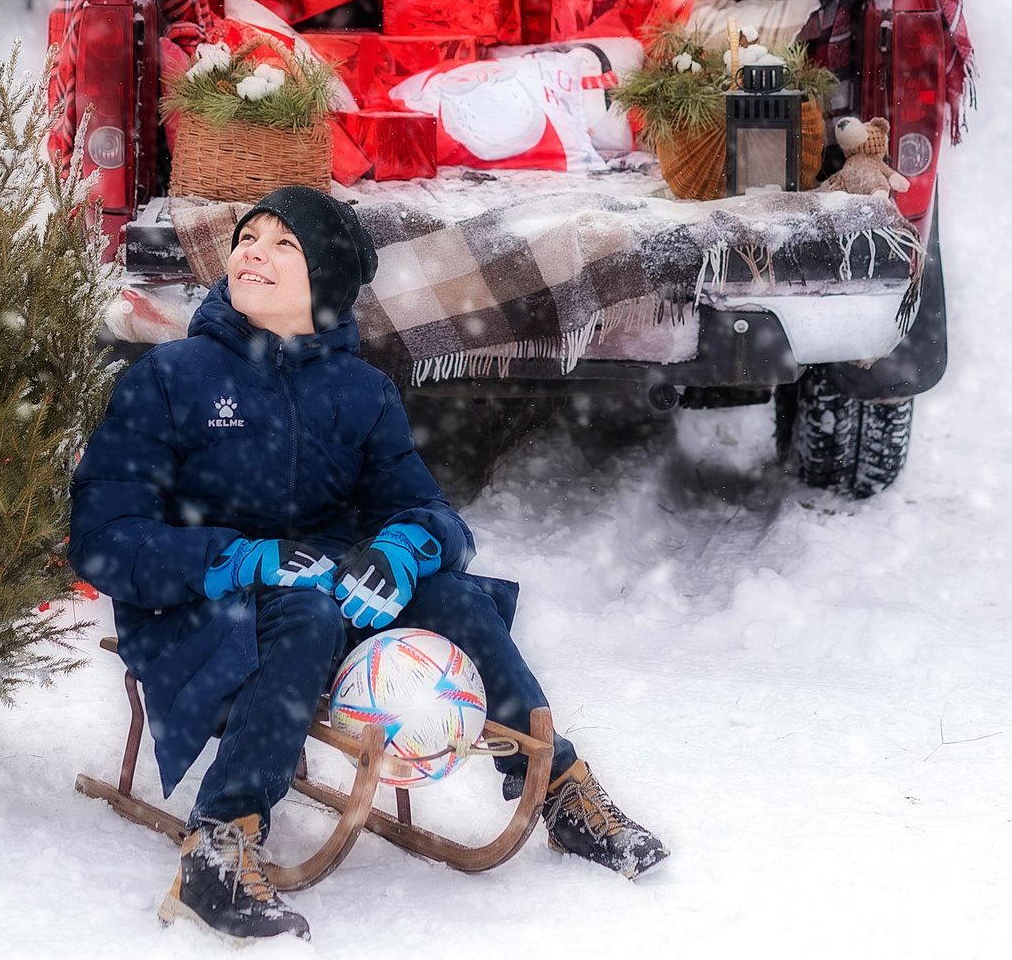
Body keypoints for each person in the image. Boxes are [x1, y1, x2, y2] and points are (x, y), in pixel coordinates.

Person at [70, 185, 668, 941]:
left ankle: (561, 788)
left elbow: (430, 513)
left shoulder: (361, 390)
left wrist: (399, 550)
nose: (251, 249)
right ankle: (218, 845)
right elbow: (101, 535)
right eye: (248, 236)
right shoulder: (171, 377)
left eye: (282, 242)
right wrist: (239, 557)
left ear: (323, 279)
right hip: (195, 611)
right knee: (307, 609)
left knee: (447, 592)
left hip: (317, 610)